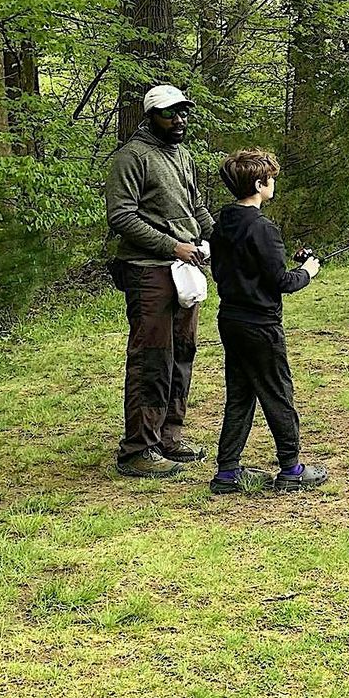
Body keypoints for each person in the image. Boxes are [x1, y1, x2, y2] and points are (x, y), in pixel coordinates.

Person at [106, 84, 214, 478]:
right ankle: (138, 450)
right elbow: (121, 216)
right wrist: (173, 246)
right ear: (150, 116)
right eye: (171, 113)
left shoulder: (182, 153)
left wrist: (218, 238)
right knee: (151, 357)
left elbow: (196, 205)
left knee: (182, 351)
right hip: (147, 270)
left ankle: (169, 436)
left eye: (183, 112)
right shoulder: (132, 157)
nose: (179, 120)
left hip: (186, 269)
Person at [208, 149, 328, 494]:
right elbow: (282, 282)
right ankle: (291, 469)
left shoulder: (223, 225)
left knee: (240, 396)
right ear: (259, 184)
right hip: (261, 327)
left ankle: (227, 473)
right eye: (270, 179)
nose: (273, 183)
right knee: (277, 394)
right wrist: (308, 270)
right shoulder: (263, 228)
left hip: (230, 321)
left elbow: (237, 270)